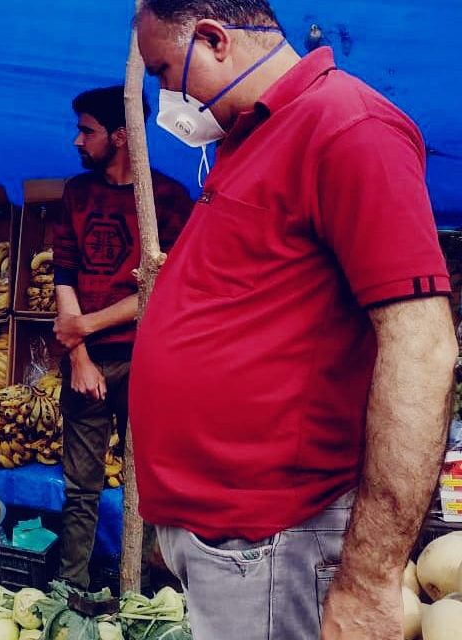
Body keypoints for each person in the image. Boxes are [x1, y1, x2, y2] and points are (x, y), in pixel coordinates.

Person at [130, 2, 458, 639]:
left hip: (279, 541)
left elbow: (423, 348)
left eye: (164, 70)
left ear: (213, 39)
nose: (165, 94)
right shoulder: (251, 139)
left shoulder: (347, 126)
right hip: (238, 543)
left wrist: (370, 577)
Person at [52, 85, 193, 590]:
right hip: (85, 363)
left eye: (86, 131)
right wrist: (80, 355)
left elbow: (164, 289)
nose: (76, 141)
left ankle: (156, 585)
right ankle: (70, 589)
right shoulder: (76, 194)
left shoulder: (170, 199)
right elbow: (64, 274)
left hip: (148, 362)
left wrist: (85, 326)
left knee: (153, 481)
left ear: (119, 135)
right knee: (81, 488)